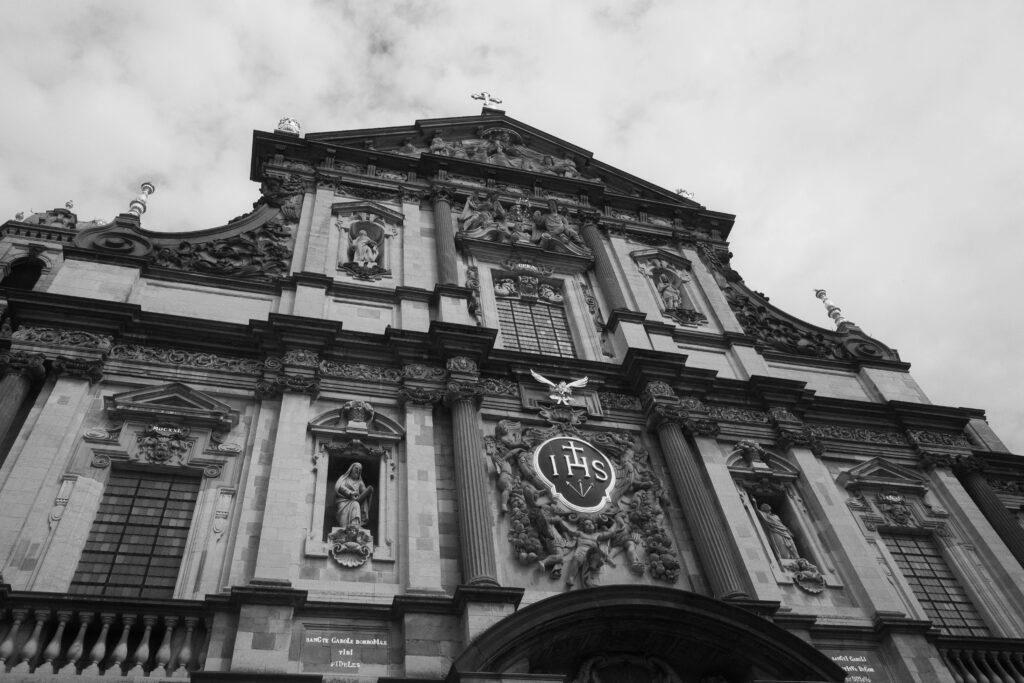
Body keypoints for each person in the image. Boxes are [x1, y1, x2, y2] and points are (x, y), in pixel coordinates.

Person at [335, 463, 374, 528]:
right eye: (356, 468)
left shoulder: (360, 482)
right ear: (351, 469)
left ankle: (355, 524)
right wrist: (350, 493)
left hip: (354, 502)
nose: (357, 470)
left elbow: (364, 493)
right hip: (343, 501)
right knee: (343, 526)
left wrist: (369, 492)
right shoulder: (345, 478)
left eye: (359, 470)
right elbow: (339, 487)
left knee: (355, 504)